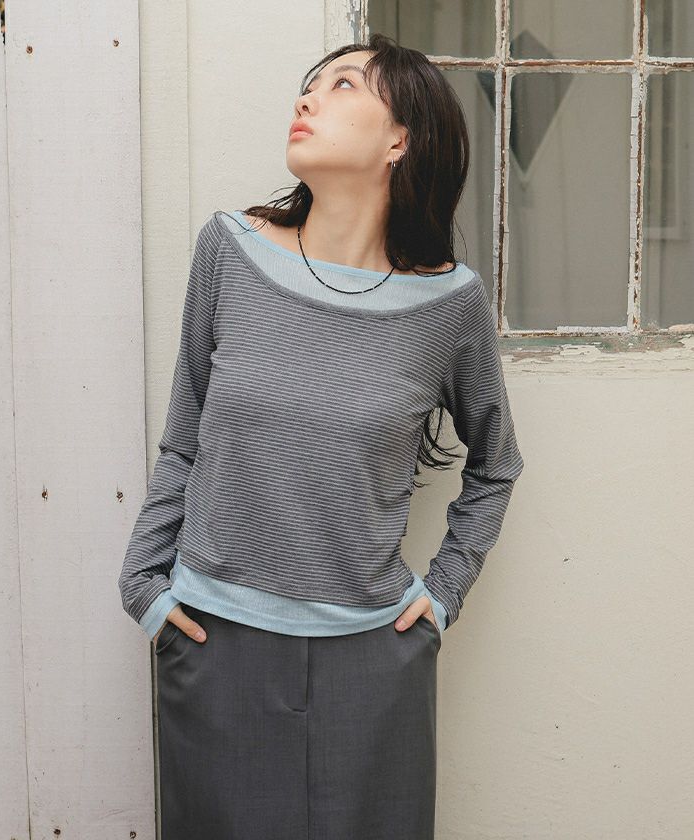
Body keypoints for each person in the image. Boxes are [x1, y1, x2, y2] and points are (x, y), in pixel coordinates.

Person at [118, 32, 524, 840]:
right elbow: (184, 437)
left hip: (372, 662)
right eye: (311, 83)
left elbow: (496, 466)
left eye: (343, 85)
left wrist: (442, 595)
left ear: (400, 139)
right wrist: (144, 584)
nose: (307, 97)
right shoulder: (228, 251)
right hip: (213, 643)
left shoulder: (450, 306)